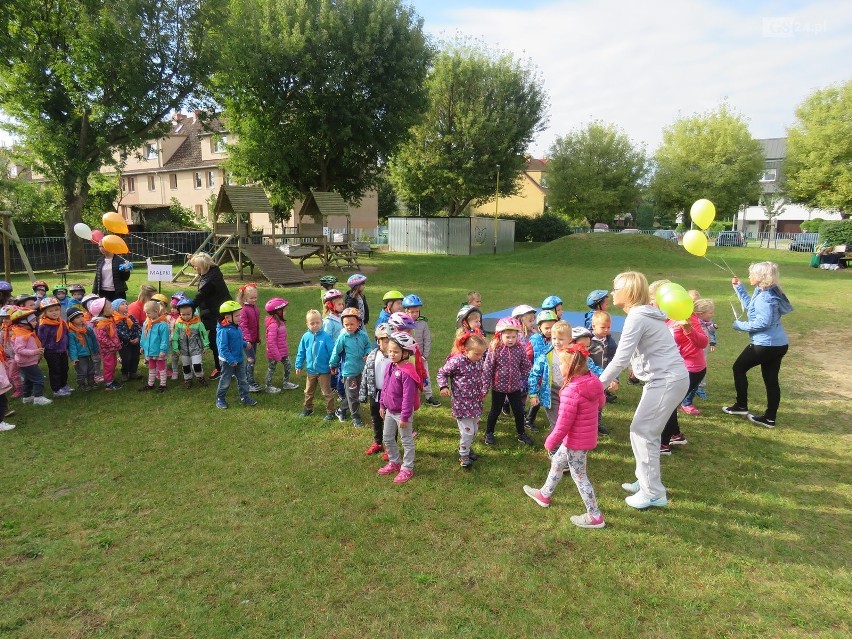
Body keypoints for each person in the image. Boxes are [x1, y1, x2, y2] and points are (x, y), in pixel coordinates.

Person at [599, 271, 689, 509]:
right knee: (640, 430)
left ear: (628, 292)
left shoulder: (638, 316)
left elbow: (620, 359)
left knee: (644, 433)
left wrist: (597, 386)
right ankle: (645, 481)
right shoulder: (642, 315)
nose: (612, 292)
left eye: (616, 288)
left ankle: (653, 493)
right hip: (666, 380)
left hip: (667, 380)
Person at [523, 344, 607, 529]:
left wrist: (550, 441)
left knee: (580, 477)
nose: (558, 367)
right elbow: (601, 402)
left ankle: (595, 516)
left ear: (572, 367)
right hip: (583, 437)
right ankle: (544, 494)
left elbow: (563, 424)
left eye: (561, 363)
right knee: (558, 462)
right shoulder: (593, 380)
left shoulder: (571, 391)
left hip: (575, 441)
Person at [723, 262, 792, 428]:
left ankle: (741, 406)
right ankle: (769, 418)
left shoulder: (765, 297)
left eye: (751, 274)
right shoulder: (764, 291)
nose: (749, 277)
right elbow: (751, 307)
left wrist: (740, 325)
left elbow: (763, 322)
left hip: (766, 345)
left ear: (761, 277)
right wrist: (739, 288)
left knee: (738, 368)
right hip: (778, 344)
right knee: (771, 380)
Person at [660, 304, 708, 455]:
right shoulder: (664, 316)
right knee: (670, 403)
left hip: (690, 369)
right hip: (676, 367)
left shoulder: (687, 316)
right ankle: (676, 435)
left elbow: (703, 342)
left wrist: (688, 329)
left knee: (668, 404)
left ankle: (664, 444)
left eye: (653, 300)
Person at [437, 332, 488, 468]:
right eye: (476, 354)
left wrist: (483, 388)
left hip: (475, 402)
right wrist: (443, 386)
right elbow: (442, 372)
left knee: (475, 430)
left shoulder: (479, 361)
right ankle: (463, 455)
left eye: (482, 354)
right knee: (467, 431)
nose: (480, 357)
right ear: (466, 350)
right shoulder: (457, 361)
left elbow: (482, 375)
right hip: (462, 404)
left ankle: (468, 447)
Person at [377, 331, 422, 484]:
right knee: (387, 438)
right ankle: (394, 462)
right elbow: (385, 387)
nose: (392, 354)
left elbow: (408, 398)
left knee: (406, 441)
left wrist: (405, 416)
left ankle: (407, 468)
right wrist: (382, 404)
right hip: (390, 410)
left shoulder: (407, 372)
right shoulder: (390, 366)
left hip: (402, 414)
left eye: (396, 352)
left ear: (406, 353)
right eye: (390, 351)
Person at [483, 317, 533, 446]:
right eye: (507, 337)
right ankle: (489, 432)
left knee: (518, 411)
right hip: (498, 387)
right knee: (495, 410)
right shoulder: (495, 349)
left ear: (518, 336)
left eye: (513, 337)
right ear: (500, 336)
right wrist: (485, 386)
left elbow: (526, 366)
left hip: (515, 387)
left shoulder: (519, 349)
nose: (510, 340)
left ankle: (521, 434)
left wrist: (531, 379)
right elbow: (488, 368)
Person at [188, 253, 232, 380]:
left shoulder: (209, 282)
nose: (195, 268)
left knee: (216, 342)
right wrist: (193, 259)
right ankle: (224, 367)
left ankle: (221, 369)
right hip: (219, 311)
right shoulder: (213, 271)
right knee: (219, 340)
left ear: (203, 266)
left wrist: (185, 307)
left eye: (196, 266)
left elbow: (198, 298)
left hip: (217, 314)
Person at [329, 307, 372, 427]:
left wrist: (368, 353)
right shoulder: (343, 337)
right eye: (345, 324)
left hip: (361, 370)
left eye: (352, 324)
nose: (348, 327)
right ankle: (356, 417)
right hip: (349, 372)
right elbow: (336, 352)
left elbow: (368, 346)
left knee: (356, 394)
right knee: (353, 395)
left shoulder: (363, 335)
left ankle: (341, 409)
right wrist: (333, 364)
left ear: (359, 323)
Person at [528, 319, 572, 432]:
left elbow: (590, 367)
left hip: (570, 392)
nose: (557, 342)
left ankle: (566, 446)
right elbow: (534, 374)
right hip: (551, 393)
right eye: (554, 338)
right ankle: (554, 448)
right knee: (557, 423)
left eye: (561, 339)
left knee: (568, 421)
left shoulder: (575, 354)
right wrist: (533, 394)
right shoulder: (546, 355)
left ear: (570, 340)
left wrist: (612, 378)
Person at [215, 300, 258, 409]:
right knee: (225, 380)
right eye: (237, 315)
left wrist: (245, 344)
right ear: (227, 317)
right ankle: (220, 398)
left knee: (243, 379)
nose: (240, 317)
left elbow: (237, 341)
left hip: (239, 359)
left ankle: (244, 396)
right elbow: (223, 348)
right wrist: (230, 360)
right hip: (227, 361)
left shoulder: (236, 327)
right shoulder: (223, 331)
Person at [294, 309, 336, 420]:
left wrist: (332, 365)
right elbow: (301, 352)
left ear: (321, 322)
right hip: (311, 371)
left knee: (326, 392)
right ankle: (308, 408)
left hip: (324, 371)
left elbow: (332, 352)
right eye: (312, 323)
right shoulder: (305, 337)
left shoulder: (326, 337)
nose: (315, 325)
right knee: (308, 391)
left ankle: (331, 411)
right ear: (307, 324)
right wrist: (298, 365)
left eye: (317, 322)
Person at [359, 323, 392, 456]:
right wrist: (363, 393)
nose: (388, 343)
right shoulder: (372, 355)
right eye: (384, 340)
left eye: (390, 340)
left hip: (390, 396)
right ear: (378, 341)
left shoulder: (394, 357)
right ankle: (378, 442)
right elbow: (365, 375)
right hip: (375, 393)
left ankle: (390, 447)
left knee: (389, 422)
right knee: (376, 418)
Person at [403, 293, 441, 407]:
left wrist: (425, 355)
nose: (414, 314)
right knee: (409, 376)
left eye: (416, 311)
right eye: (411, 311)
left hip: (421, 357)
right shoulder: (403, 323)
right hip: (408, 357)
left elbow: (427, 339)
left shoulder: (423, 323)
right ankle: (411, 395)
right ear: (406, 311)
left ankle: (428, 396)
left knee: (425, 376)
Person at [10, 308, 52, 405]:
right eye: (33, 321)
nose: (35, 322)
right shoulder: (21, 336)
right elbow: (19, 350)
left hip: (26, 361)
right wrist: (35, 351)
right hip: (27, 362)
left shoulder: (25, 332)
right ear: (24, 323)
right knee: (39, 378)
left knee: (28, 379)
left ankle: (27, 397)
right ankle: (38, 397)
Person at [524, 310, 557, 431]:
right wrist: (530, 373)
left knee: (552, 399)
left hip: (551, 376)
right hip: (537, 376)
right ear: (539, 328)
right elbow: (527, 358)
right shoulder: (534, 340)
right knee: (536, 400)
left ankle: (556, 420)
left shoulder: (557, 340)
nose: (550, 331)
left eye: (553, 327)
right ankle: (529, 420)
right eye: (547, 328)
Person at [36, 297, 72, 397]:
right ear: (44, 312)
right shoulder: (44, 325)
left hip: (62, 350)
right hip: (51, 351)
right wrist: (40, 351)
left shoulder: (61, 322)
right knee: (55, 370)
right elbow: (41, 339)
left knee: (64, 368)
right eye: (50, 311)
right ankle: (56, 389)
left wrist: (67, 347)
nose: (54, 312)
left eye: (56, 310)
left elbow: (66, 335)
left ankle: (63, 385)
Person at [172, 297, 209, 389]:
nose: (185, 317)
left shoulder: (198, 323)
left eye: (188, 314)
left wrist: (206, 346)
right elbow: (175, 337)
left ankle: (200, 376)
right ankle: (188, 379)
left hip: (196, 348)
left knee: (197, 365)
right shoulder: (178, 323)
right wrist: (176, 348)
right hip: (184, 350)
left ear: (193, 312)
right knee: (186, 366)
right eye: (183, 314)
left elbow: (203, 335)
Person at [264, 297, 298, 393]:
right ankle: (268, 386)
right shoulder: (273, 325)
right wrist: (277, 355)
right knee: (271, 368)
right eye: (284, 310)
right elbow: (271, 342)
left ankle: (286, 382)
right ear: (278, 312)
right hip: (274, 353)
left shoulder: (280, 323)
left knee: (288, 366)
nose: (285, 312)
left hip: (282, 351)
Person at [88, 297, 123, 391]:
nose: (112, 308)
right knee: (109, 365)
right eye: (110, 307)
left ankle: (111, 378)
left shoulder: (108, 319)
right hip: (107, 349)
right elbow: (102, 338)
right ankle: (109, 382)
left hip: (112, 348)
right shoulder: (102, 324)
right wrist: (113, 344)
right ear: (103, 311)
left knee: (113, 363)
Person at [321, 288, 347, 409]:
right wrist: (331, 352)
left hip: (343, 349)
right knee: (334, 370)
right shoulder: (328, 321)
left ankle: (338, 386)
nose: (342, 306)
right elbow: (326, 338)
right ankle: (334, 387)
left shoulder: (342, 317)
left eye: (342, 304)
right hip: (334, 351)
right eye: (339, 304)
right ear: (330, 305)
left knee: (340, 369)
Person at [139, 300, 170, 393]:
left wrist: (162, 350)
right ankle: (150, 383)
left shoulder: (163, 325)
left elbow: (165, 339)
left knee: (161, 368)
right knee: (151, 367)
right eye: (146, 313)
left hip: (159, 351)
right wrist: (142, 346)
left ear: (156, 312)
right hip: (150, 351)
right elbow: (144, 336)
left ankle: (163, 384)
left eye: (148, 313)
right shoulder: (146, 323)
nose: (146, 315)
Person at [236, 283, 262, 392]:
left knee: (252, 359)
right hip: (247, 341)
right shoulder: (244, 309)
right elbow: (243, 326)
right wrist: (247, 340)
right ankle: (248, 382)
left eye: (255, 297)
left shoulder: (254, 307)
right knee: (251, 360)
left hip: (253, 339)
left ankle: (248, 379)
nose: (254, 299)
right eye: (252, 298)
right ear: (245, 297)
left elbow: (256, 325)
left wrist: (258, 337)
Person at [67, 308, 98, 392]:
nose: (81, 319)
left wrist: (96, 349)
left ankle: (91, 382)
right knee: (82, 371)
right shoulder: (71, 332)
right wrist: (74, 358)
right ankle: (81, 384)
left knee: (91, 369)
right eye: (77, 318)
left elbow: (93, 339)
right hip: (80, 356)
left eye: (81, 316)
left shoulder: (87, 328)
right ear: (72, 320)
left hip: (89, 353)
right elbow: (72, 346)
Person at [112, 298, 142, 382]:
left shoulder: (130, 316)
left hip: (135, 341)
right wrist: (129, 339)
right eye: (123, 304)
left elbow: (138, 327)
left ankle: (133, 371)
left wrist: (138, 337)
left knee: (135, 357)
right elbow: (119, 332)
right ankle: (125, 372)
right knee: (126, 358)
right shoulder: (115, 319)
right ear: (116, 308)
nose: (126, 305)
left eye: (126, 304)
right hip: (124, 343)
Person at [693, 298, 717, 400]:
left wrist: (712, 342)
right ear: (701, 314)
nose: (712, 314)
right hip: (694, 350)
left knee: (703, 366)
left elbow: (712, 332)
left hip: (704, 349)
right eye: (710, 313)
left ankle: (700, 387)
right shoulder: (694, 323)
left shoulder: (708, 323)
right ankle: (690, 386)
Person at [0, 306, 23, 398]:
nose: (5, 320)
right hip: (6, 356)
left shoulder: (16, 330)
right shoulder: (3, 329)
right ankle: (16, 387)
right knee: (8, 374)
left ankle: (19, 389)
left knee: (13, 374)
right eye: (3, 318)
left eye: (8, 318)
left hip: (15, 356)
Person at [165, 293, 183, 381]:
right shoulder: (168, 316)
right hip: (173, 340)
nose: (172, 310)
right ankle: (175, 371)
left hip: (182, 339)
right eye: (172, 307)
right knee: (174, 356)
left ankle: (188, 370)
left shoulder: (183, 317)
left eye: (175, 308)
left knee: (185, 356)